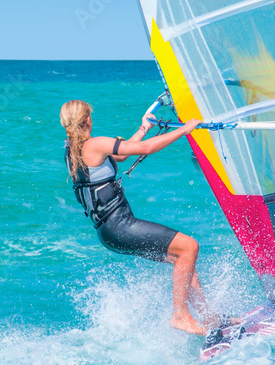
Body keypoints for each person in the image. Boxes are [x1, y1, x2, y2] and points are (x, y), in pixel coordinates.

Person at [60, 99, 215, 335]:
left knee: (182, 259)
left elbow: (121, 155)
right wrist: (185, 129)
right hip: (120, 225)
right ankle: (181, 316)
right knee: (189, 247)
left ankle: (209, 318)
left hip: (108, 233)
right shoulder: (94, 145)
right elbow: (146, 149)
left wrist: (145, 127)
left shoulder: (71, 149)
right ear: (88, 118)